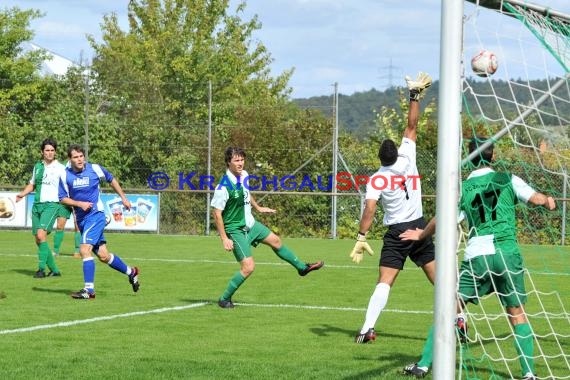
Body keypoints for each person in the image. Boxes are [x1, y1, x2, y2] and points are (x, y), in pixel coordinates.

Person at [400, 137, 555, 380]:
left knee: (449, 309)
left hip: (476, 257)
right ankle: (529, 373)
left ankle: (424, 364)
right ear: (493, 156)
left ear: (470, 158)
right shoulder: (507, 178)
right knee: (516, 313)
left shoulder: (464, 189)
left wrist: (421, 234)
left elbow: (442, 219)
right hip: (506, 254)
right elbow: (537, 199)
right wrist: (548, 201)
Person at [349, 72, 435, 343]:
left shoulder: (377, 178)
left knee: (385, 281)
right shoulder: (408, 157)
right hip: (421, 228)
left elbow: (371, 209)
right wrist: (414, 96)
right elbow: (412, 125)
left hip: (398, 233)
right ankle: (460, 321)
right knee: (440, 281)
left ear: (380, 158)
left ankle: (366, 329)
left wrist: (361, 236)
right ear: (396, 152)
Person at [211, 146, 324, 308]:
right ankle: (224, 299)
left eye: (242, 159)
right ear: (228, 162)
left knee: (276, 241)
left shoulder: (244, 175)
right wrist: (224, 238)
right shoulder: (223, 187)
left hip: (250, 224)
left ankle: (302, 268)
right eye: (236, 160)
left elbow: (246, 193)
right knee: (248, 267)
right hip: (235, 230)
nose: (240, 163)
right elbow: (217, 214)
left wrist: (258, 207)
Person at [58, 144, 140, 299]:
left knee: (84, 250)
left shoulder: (94, 169)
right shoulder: (64, 175)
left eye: (81, 156)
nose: (80, 159)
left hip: (96, 215)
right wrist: (79, 204)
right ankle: (131, 272)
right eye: (76, 157)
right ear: (70, 159)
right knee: (103, 255)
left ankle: (89, 291)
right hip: (82, 219)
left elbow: (111, 179)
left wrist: (123, 198)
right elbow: (62, 198)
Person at [15, 138, 63, 278]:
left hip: (52, 205)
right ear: (42, 152)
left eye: (52, 150)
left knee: (41, 235)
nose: (49, 153)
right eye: (47, 150)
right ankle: (55, 270)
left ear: (55, 152)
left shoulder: (60, 168)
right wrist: (22, 194)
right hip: (37, 206)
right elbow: (32, 184)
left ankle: (41, 270)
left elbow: (68, 185)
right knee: (38, 239)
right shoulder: (38, 166)